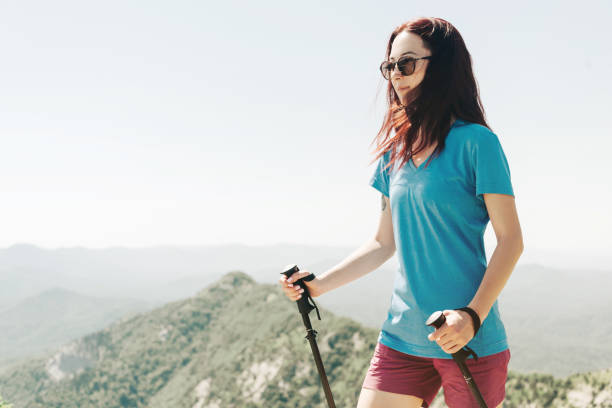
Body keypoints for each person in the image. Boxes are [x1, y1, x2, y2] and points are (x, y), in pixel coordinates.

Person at [278, 17, 523, 408]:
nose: (395, 75)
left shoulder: (478, 143)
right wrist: (317, 285)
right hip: (401, 338)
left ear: (440, 65)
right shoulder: (395, 152)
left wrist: (472, 316)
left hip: (470, 339)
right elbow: (382, 242)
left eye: (406, 63)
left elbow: (511, 241)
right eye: (389, 66)